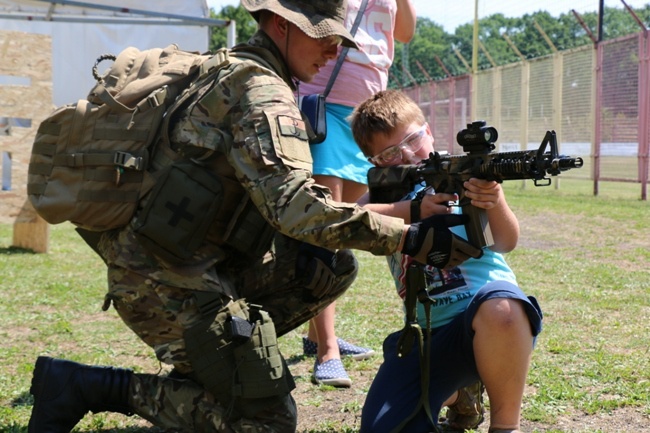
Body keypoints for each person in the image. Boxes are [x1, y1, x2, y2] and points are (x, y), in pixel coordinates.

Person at [26, 2, 482, 433]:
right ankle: (84, 387)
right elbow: (297, 210)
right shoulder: (261, 90)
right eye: (321, 34)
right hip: (161, 279)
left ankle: (221, 362)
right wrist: (407, 236)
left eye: (339, 38)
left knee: (326, 266)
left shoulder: (232, 68)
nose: (334, 49)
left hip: (190, 263)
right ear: (280, 24)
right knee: (269, 421)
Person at [349, 89, 544, 433]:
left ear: (429, 131)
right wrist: (412, 209)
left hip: (487, 320)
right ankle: (459, 395)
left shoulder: (463, 175)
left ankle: (505, 425)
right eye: (391, 153)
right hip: (427, 334)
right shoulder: (388, 192)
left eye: (412, 139)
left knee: (502, 306)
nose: (407, 153)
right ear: (376, 164)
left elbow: (506, 241)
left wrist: (494, 199)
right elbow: (351, 218)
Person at [298, 0, 417, 388]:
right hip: (325, 108)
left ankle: (317, 335)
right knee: (327, 229)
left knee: (353, 225)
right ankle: (327, 350)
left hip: (367, 121)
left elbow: (405, 32)